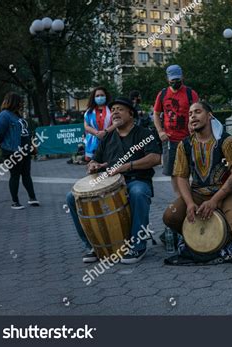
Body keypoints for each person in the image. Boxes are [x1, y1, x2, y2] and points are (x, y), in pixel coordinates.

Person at [163, 101, 232, 275]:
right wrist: (188, 203)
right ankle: (202, 238)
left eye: (198, 112)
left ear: (209, 116)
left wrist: (214, 201)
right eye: (190, 114)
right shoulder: (185, 145)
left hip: (227, 193)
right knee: (170, 215)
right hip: (197, 194)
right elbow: (181, 177)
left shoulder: (228, 141)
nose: (193, 116)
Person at [66, 97, 162, 263]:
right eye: (114, 110)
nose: (115, 112)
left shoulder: (145, 134)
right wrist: (93, 166)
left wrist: (126, 166)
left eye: (120, 109)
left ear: (131, 114)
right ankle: (92, 246)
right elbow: (94, 160)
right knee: (72, 197)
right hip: (107, 181)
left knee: (138, 192)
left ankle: (137, 245)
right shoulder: (107, 137)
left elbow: (155, 158)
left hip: (135, 180)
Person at [153, 65, 199, 196]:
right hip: (169, 140)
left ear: (182, 77)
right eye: (172, 80)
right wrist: (160, 132)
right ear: (167, 79)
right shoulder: (162, 94)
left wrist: (195, 128)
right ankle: (180, 199)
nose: (175, 82)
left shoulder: (191, 93)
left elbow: (199, 112)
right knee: (173, 172)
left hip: (189, 139)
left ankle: (193, 196)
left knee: (192, 170)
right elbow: (156, 114)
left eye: (178, 79)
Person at [0, 92, 39, 210]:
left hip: (25, 150)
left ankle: (32, 198)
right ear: (13, 102)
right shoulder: (4, 115)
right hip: (12, 150)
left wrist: (32, 145)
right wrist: (3, 146)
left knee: (26, 175)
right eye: (20, 102)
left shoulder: (18, 116)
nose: (21, 104)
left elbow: (26, 133)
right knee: (15, 176)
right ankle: (15, 202)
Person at [83, 86, 117, 161]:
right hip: (93, 142)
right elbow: (86, 126)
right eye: (97, 96)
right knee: (94, 165)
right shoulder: (89, 112)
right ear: (94, 98)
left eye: (102, 95)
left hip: (110, 139)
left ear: (106, 96)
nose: (100, 97)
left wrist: (105, 132)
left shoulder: (112, 109)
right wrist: (97, 133)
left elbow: (116, 123)